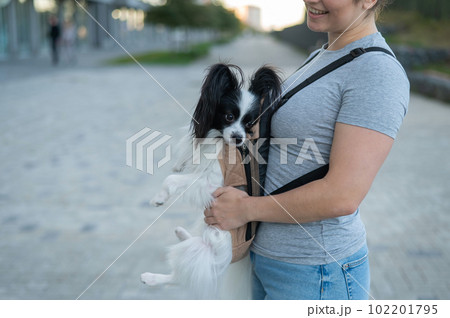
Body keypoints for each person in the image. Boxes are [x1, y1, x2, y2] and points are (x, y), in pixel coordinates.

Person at [204, 0, 410, 300]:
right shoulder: (320, 55)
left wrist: (244, 209)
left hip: (316, 272)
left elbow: (342, 196)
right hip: (269, 261)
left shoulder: (377, 72)